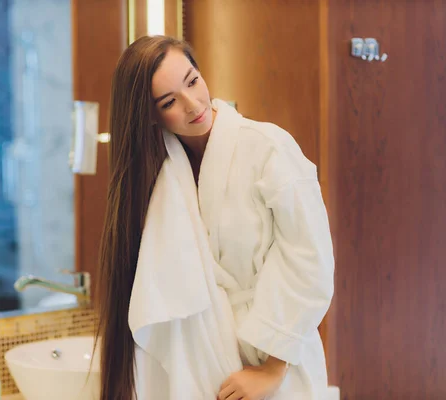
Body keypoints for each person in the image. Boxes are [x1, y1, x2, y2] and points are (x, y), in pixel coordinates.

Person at [96, 36, 335, 400]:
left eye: (192, 81)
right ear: (149, 114)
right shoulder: (159, 175)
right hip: (202, 364)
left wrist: (273, 368)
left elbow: (310, 259)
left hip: (273, 362)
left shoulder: (268, 148)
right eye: (169, 101)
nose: (193, 105)